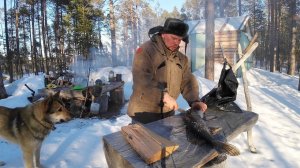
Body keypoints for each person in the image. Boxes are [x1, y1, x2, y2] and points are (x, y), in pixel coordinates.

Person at [127, 18, 207, 124]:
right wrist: (163, 96)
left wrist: (195, 101)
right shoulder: (146, 50)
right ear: (163, 34)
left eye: (179, 40)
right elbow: (141, 80)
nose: (177, 42)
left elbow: (187, 81)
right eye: (174, 38)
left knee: (164, 140)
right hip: (144, 114)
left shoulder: (182, 59)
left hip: (167, 114)